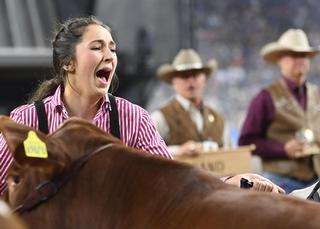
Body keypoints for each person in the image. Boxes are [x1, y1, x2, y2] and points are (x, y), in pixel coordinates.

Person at [0, 16, 283, 195]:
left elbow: (172, 180)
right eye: (97, 47)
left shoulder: (132, 118)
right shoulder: (27, 120)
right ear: (68, 62)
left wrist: (230, 182)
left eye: (112, 48)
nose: (110, 55)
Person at [238, 28, 320, 193]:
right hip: (281, 180)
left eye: (303, 56)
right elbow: (246, 141)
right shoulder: (265, 98)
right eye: (293, 55)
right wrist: (283, 149)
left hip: (315, 179)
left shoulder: (316, 94)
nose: (300, 60)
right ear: (280, 60)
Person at [151, 49, 226, 156]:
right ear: (173, 82)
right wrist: (177, 151)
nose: (191, 80)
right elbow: (146, 153)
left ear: (204, 79)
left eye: (195, 75)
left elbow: (229, 153)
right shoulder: (160, 118)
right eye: (184, 75)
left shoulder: (218, 119)